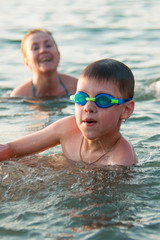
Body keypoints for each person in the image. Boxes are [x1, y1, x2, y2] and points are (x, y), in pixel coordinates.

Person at [1, 58, 137, 166]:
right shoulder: (67, 129)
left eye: (102, 100)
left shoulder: (121, 159)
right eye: (81, 98)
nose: (88, 107)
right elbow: (10, 150)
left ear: (126, 110)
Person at [10, 29, 77, 97]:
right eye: (35, 48)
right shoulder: (19, 96)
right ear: (27, 61)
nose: (43, 50)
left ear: (58, 54)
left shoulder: (77, 87)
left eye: (48, 45)